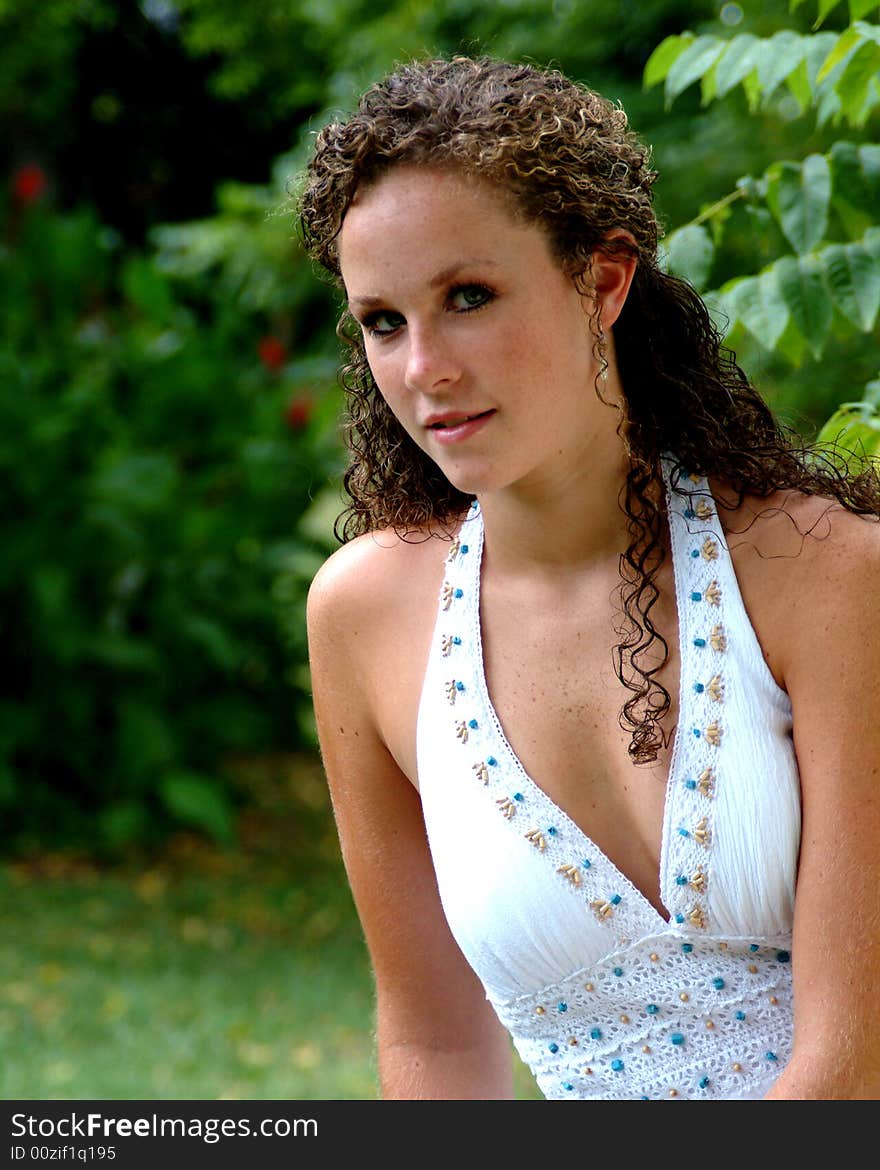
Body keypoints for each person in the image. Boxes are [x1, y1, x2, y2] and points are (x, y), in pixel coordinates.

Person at [298, 54, 880, 1100]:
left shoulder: (824, 579)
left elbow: (852, 1066)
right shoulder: (366, 616)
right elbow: (435, 1044)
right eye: (383, 322)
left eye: (467, 296)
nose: (423, 368)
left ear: (602, 280)